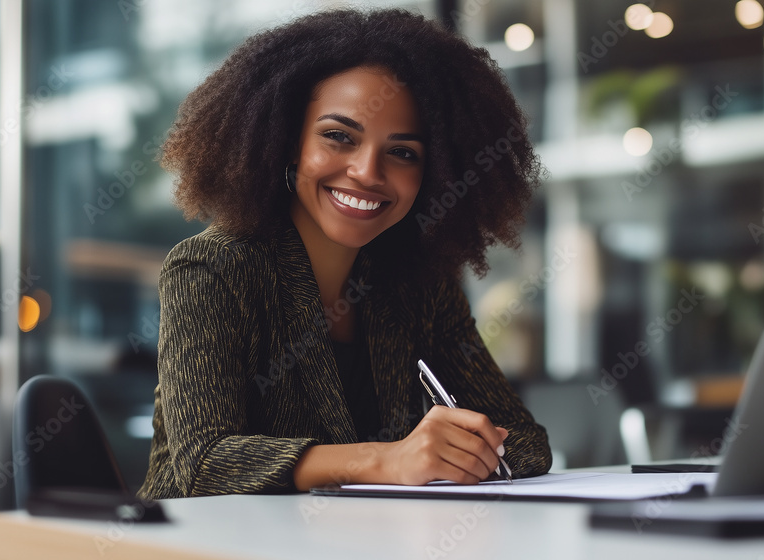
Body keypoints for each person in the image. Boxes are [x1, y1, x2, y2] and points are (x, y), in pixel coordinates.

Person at [139, 8, 551, 499]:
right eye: (338, 137)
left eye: (403, 153)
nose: (367, 172)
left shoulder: (419, 282)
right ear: (287, 142)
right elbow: (205, 464)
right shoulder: (211, 269)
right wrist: (387, 460)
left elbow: (526, 443)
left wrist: (454, 453)